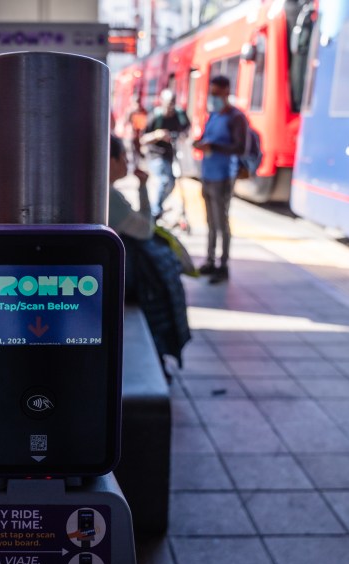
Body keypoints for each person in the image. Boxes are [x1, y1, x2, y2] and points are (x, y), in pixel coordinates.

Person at [108, 135, 191, 374]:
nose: (127, 162)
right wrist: (143, 187)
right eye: (123, 157)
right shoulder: (109, 196)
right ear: (110, 161)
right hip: (123, 281)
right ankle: (161, 353)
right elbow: (145, 230)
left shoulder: (104, 192)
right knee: (159, 272)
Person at [193, 75, 246, 283]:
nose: (213, 97)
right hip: (207, 174)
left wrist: (214, 147)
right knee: (210, 221)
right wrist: (200, 144)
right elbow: (206, 138)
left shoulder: (236, 117)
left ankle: (223, 265)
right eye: (211, 93)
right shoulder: (213, 115)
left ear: (226, 91)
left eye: (216, 93)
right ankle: (210, 260)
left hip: (223, 176)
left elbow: (240, 147)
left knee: (221, 221)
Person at [141, 89, 189, 222]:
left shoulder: (180, 115)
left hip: (170, 154)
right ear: (162, 102)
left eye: (172, 104)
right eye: (167, 105)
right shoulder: (155, 116)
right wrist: (157, 135)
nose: (169, 108)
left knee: (171, 182)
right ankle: (155, 212)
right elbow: (143, 139)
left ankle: (157, 208)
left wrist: (181, 136)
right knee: (163, 180)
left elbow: (186, 129)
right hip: (155, 154)